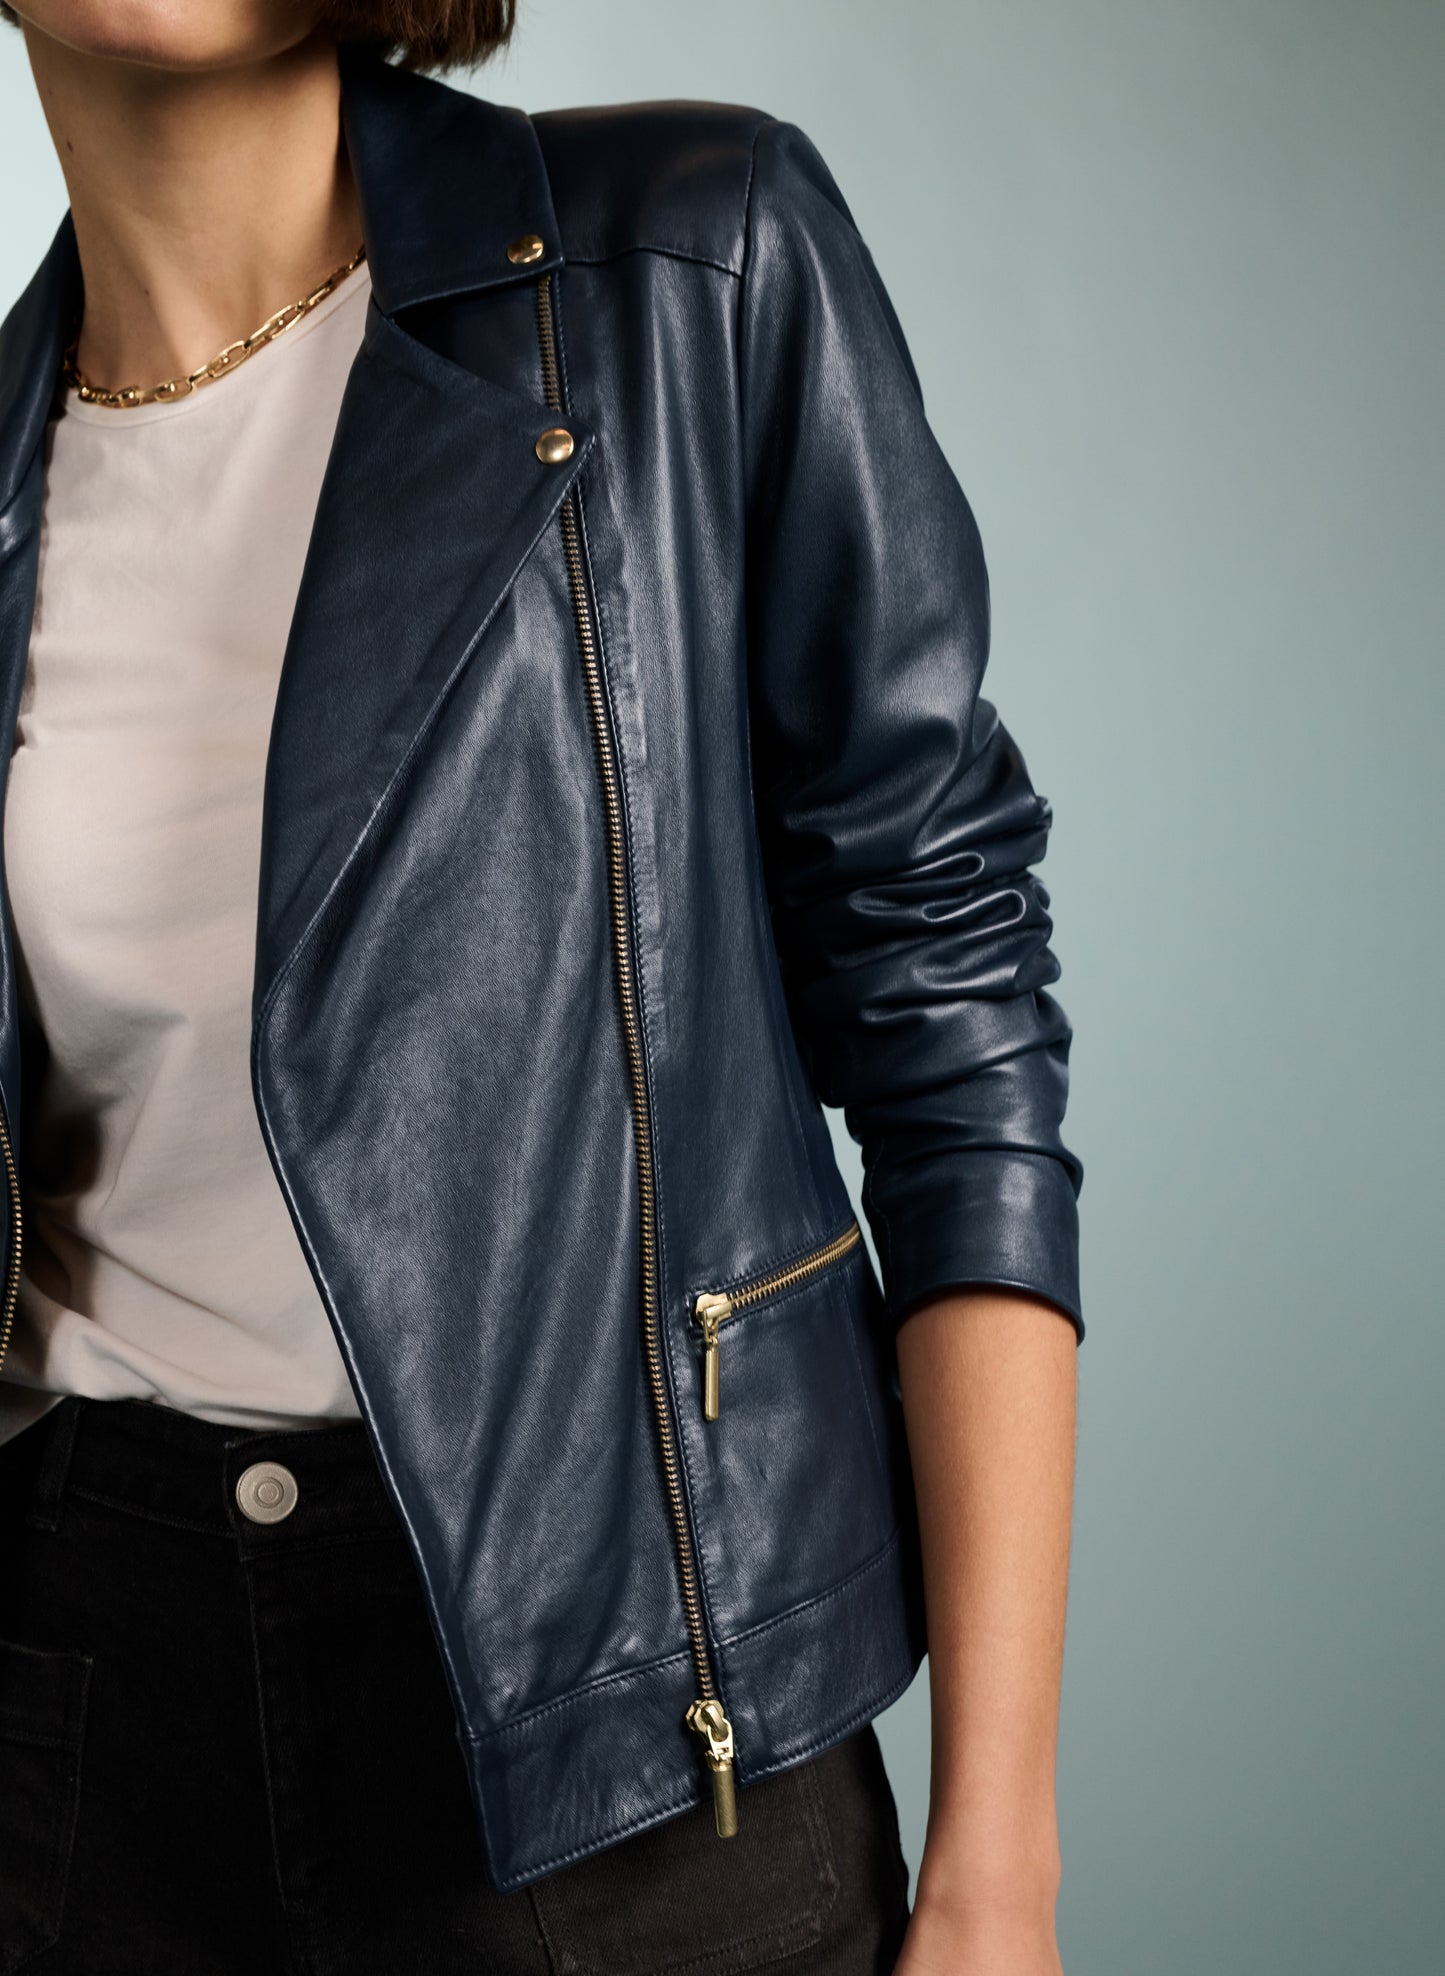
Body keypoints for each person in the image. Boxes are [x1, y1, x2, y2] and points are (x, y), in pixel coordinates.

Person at [0, 3, 1084, 1970]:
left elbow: (949, 1017)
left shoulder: (685, 260)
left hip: (641, 1727)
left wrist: (996, 1866)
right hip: (80, 1716)